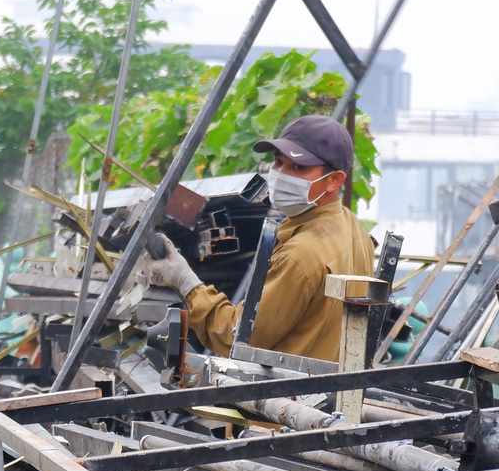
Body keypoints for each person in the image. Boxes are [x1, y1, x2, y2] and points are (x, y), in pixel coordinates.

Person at [143, 115, 374, 363]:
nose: (281, 174)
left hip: (290, 393)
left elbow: (237, 338)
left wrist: (185, 281)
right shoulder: (354, 228)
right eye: (277, 162)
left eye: (298, 167)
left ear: (334, 180)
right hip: (330, 388)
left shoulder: (300, 256)